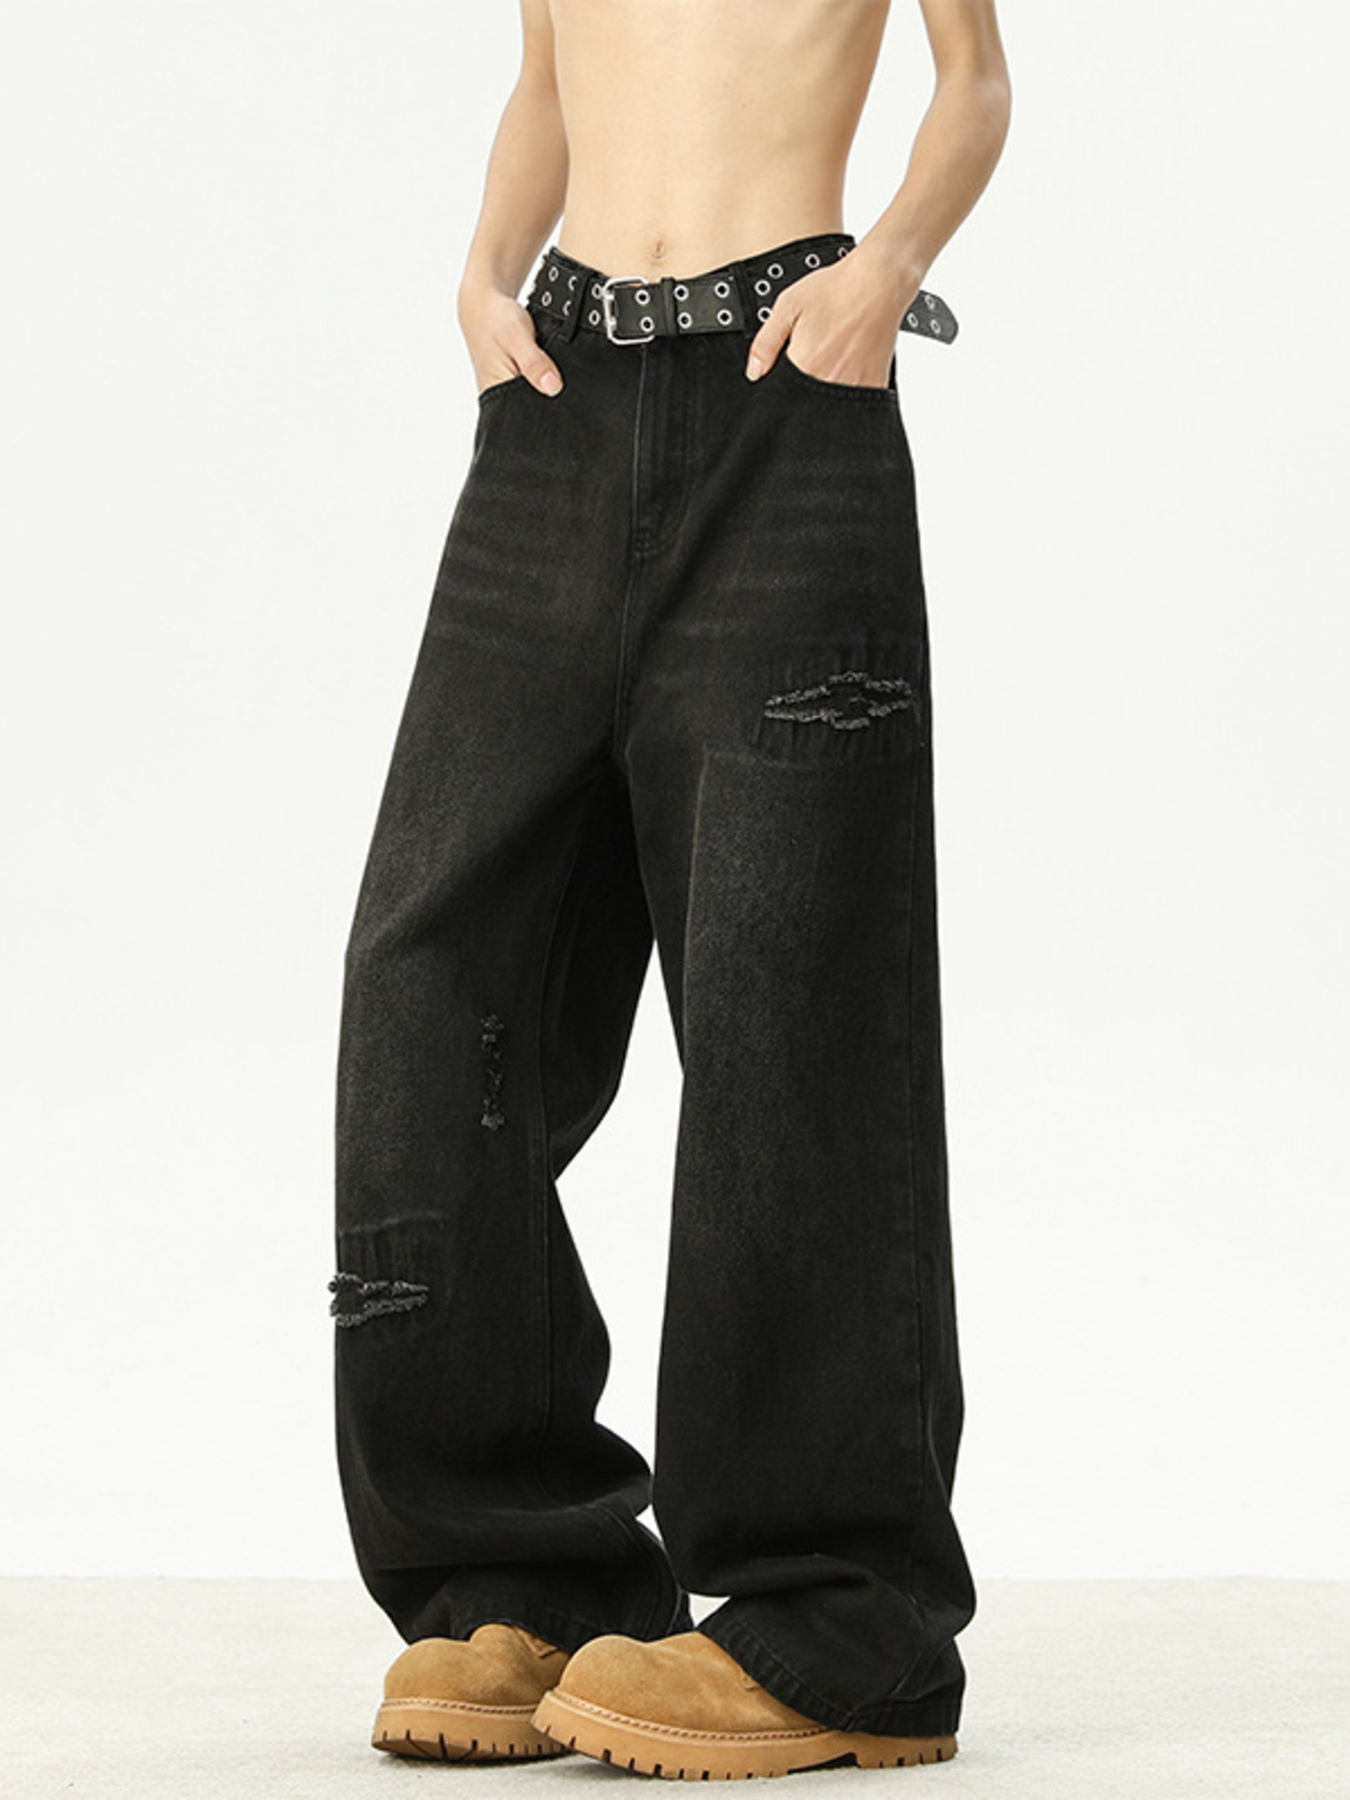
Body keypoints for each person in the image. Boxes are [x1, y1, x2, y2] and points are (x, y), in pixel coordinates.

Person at [331, 0, 1011, 1779]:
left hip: (789, 394)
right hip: (552, 404)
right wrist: (480, 280)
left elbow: (973, 82)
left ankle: (836, 1623)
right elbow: (544, 81)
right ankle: (522, 1573)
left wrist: (885, 272)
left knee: (790, 1006)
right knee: (430, 985)